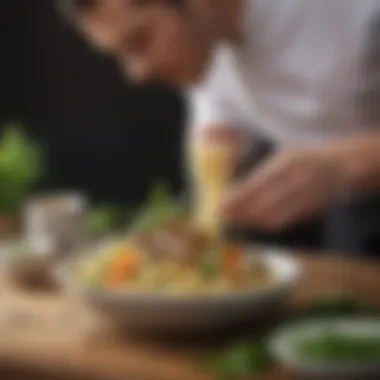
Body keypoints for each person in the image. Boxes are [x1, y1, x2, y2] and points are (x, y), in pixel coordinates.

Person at [61, 0, 380, 253]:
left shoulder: (355, 12)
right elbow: (218, 124)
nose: (137, 73)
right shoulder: (203, 41)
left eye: (140, 40)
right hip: (340, 213)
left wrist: (342, 165)